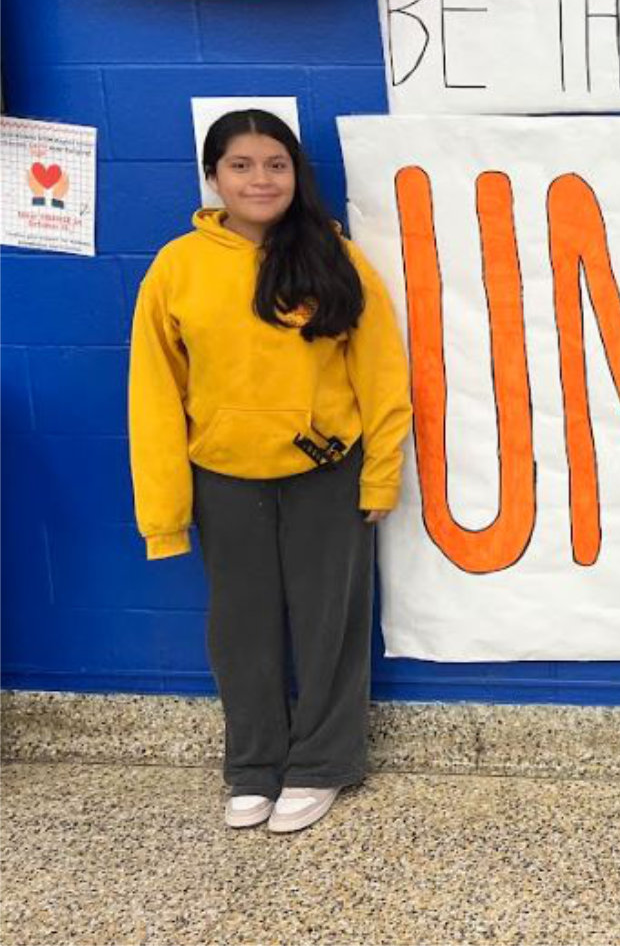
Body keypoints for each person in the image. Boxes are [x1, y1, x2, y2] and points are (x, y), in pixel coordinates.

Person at [128, 109, 411, 834]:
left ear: (296, 173)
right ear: (214, 176)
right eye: (241, 165)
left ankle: (321, 764)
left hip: (326, 475)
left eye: (275, 165)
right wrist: (165, 515)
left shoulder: (333, 258)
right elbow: (155, 396)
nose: (260, 179)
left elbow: (382, 375)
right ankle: (252, 767)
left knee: (329, 626)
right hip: (224, 479)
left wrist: (380, 474)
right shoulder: (176, 268)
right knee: (240, 629)